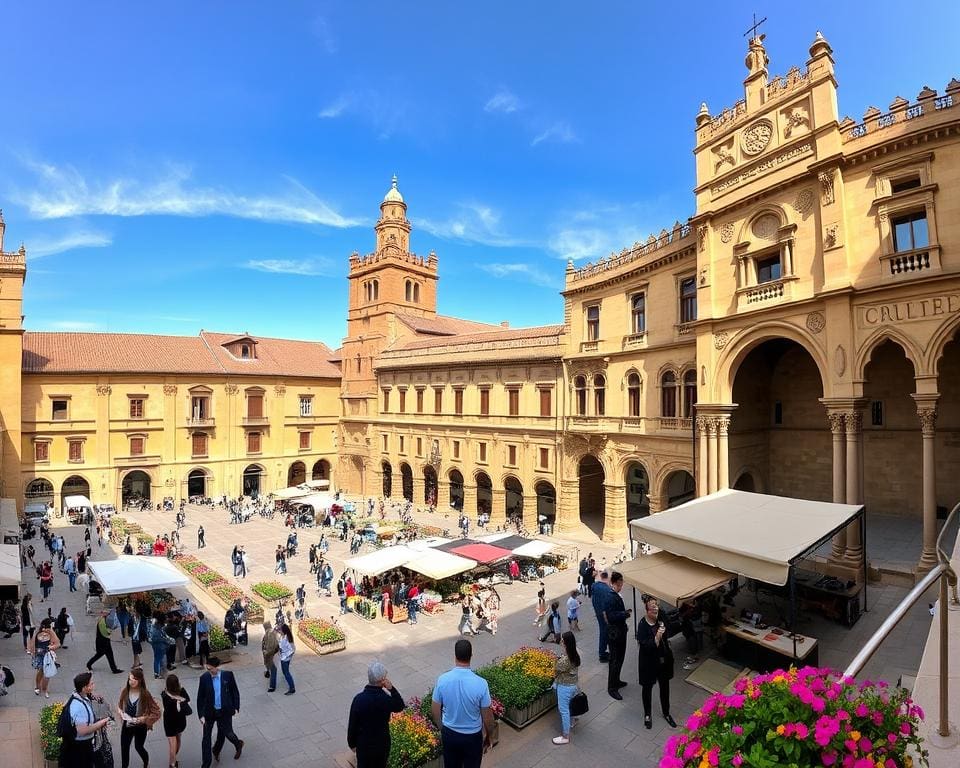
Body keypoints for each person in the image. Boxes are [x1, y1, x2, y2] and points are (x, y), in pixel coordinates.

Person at [431, 639, 494, 768]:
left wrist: (443, 728)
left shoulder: (442, 680)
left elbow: (435, 710)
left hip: (450, 734)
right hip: (473, 737)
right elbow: (487, 716)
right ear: (471, 655)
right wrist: (490, 735)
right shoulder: (481, 683)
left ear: (455, 656)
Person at [346, 661, 406, 768]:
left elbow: (353, 724)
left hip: (364, 745)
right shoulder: (385, 699)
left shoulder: (358, 699)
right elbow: (400, 705)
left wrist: (352, 744)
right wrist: (392, 689)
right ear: (382, 680)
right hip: (381, 744)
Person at [636, 595, 677, 729]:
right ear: (647, 611)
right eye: (652, 609)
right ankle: (647, 714)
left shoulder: (661, 617)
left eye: (657, 607)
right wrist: (657, 637)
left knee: (665, 687)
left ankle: (666, 712)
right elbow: (645, 646)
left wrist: (664, 629)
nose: (656, 610)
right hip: (649, 663)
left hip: (663, 661)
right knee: (647, 688)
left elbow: (670, 628)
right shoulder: (642, 625)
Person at [196, 656, 244, 768]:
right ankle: (206, 764)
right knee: (206, 738)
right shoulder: (204, 678)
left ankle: (238, 744)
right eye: (207, 669)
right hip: (209, 712)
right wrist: (201, 715)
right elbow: (200, 698)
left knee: (227, 733)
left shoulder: (228, 675)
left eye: (210, 669)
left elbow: (234, 692)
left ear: (217, 667)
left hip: (224, 711)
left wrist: (236, 707)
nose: (209, 671)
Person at [63, 672, 112, 768]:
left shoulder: (78, 695)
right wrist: (102, 722)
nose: (93, 685)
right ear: (85, 688)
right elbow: (83, 731)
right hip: (82, 746)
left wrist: (90, 694)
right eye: (91, 684)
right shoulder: (79, 708)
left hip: (85, 744)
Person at [116, 667, 161, 768]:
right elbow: (120, 704)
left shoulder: (145, 694)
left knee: (139, 747)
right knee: (124, 747)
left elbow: (156, 712)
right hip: (127, 724)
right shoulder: (125, 691)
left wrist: (145, 719)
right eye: (129, 679)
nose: (131, 682)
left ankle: (146, 762)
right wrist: (120, 711)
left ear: (140, 680)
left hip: (140, 726)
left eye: (134, 679)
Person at [603, 571, 631, 700]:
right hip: (615, 635)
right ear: (616, 582)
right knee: (615, 660)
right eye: (620, 583)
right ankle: (612, 688)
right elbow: (610, 616)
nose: (622, 586)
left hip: (620, 632)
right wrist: (625, 614)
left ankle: (616, 680)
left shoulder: (614, 595)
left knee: (619, 658)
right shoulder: (610, 596)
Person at [551, 631, 581, 745]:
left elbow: (556, 668)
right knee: (571, 703)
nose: (561, 641)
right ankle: (575, 719)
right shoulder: (575, 653)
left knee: (563, 710)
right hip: (574, 685)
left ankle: (565, 736)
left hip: (565, 686)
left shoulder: (565, 660)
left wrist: (556, 659)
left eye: (563, 640)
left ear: (565, 643)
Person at [161, 673, 191, 768]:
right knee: (178, 740)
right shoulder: (181, 691)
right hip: (180, 720)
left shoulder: (164, 695)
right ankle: (174, 759)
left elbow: (167, 708)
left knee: (172, 744)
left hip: (169, 722)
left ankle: (172, 763)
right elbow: (188, 699)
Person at [29, 617, 61, 698]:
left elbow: (57, 644)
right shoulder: (38, 632)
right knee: (40, 672)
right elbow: (33, 643)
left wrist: (50, 647)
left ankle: (44, 689)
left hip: (47, 656)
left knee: (47, 674)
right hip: (39, 656)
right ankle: (37, 686)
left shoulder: (51, 632)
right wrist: (33, 652)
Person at [87, 609, 123, 674]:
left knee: (107, 655)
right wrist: (110, 630)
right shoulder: (102, 622)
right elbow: (105, 632)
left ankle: (114, 669)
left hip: (102, 641)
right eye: (106, 613)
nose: (108, 614)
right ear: (103, 613)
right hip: (103, 641)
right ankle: (89, 664)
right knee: (103, 655)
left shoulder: (102, 619)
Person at [591, 570, 612, 663]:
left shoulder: (595, 586)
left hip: (599, 613)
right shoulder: (606, 590)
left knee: (603, 631)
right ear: (607, 578)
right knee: (604, 632)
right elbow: (607, 605)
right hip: (604, 615)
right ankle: (602, 654)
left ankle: (603, 652)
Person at [278, 623, 296, 695]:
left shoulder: (287, 639)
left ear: (284, 631)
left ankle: (292, 688)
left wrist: (285, 656)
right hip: (283, 657)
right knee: (285, 671)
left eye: (280, 630)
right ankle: (287, 678)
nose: (279, 631)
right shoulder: (283, 636)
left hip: (285, 659)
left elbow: (292, 650)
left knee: (286, 673)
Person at [261, 621, 279, 691]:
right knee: (269, 666)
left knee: (273, 670)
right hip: (269, 654)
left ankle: (272, 686)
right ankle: (268, 673)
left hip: (271, 655)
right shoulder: (269, 632)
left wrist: (266, 653)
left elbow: (271, 646)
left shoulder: (270, 633)